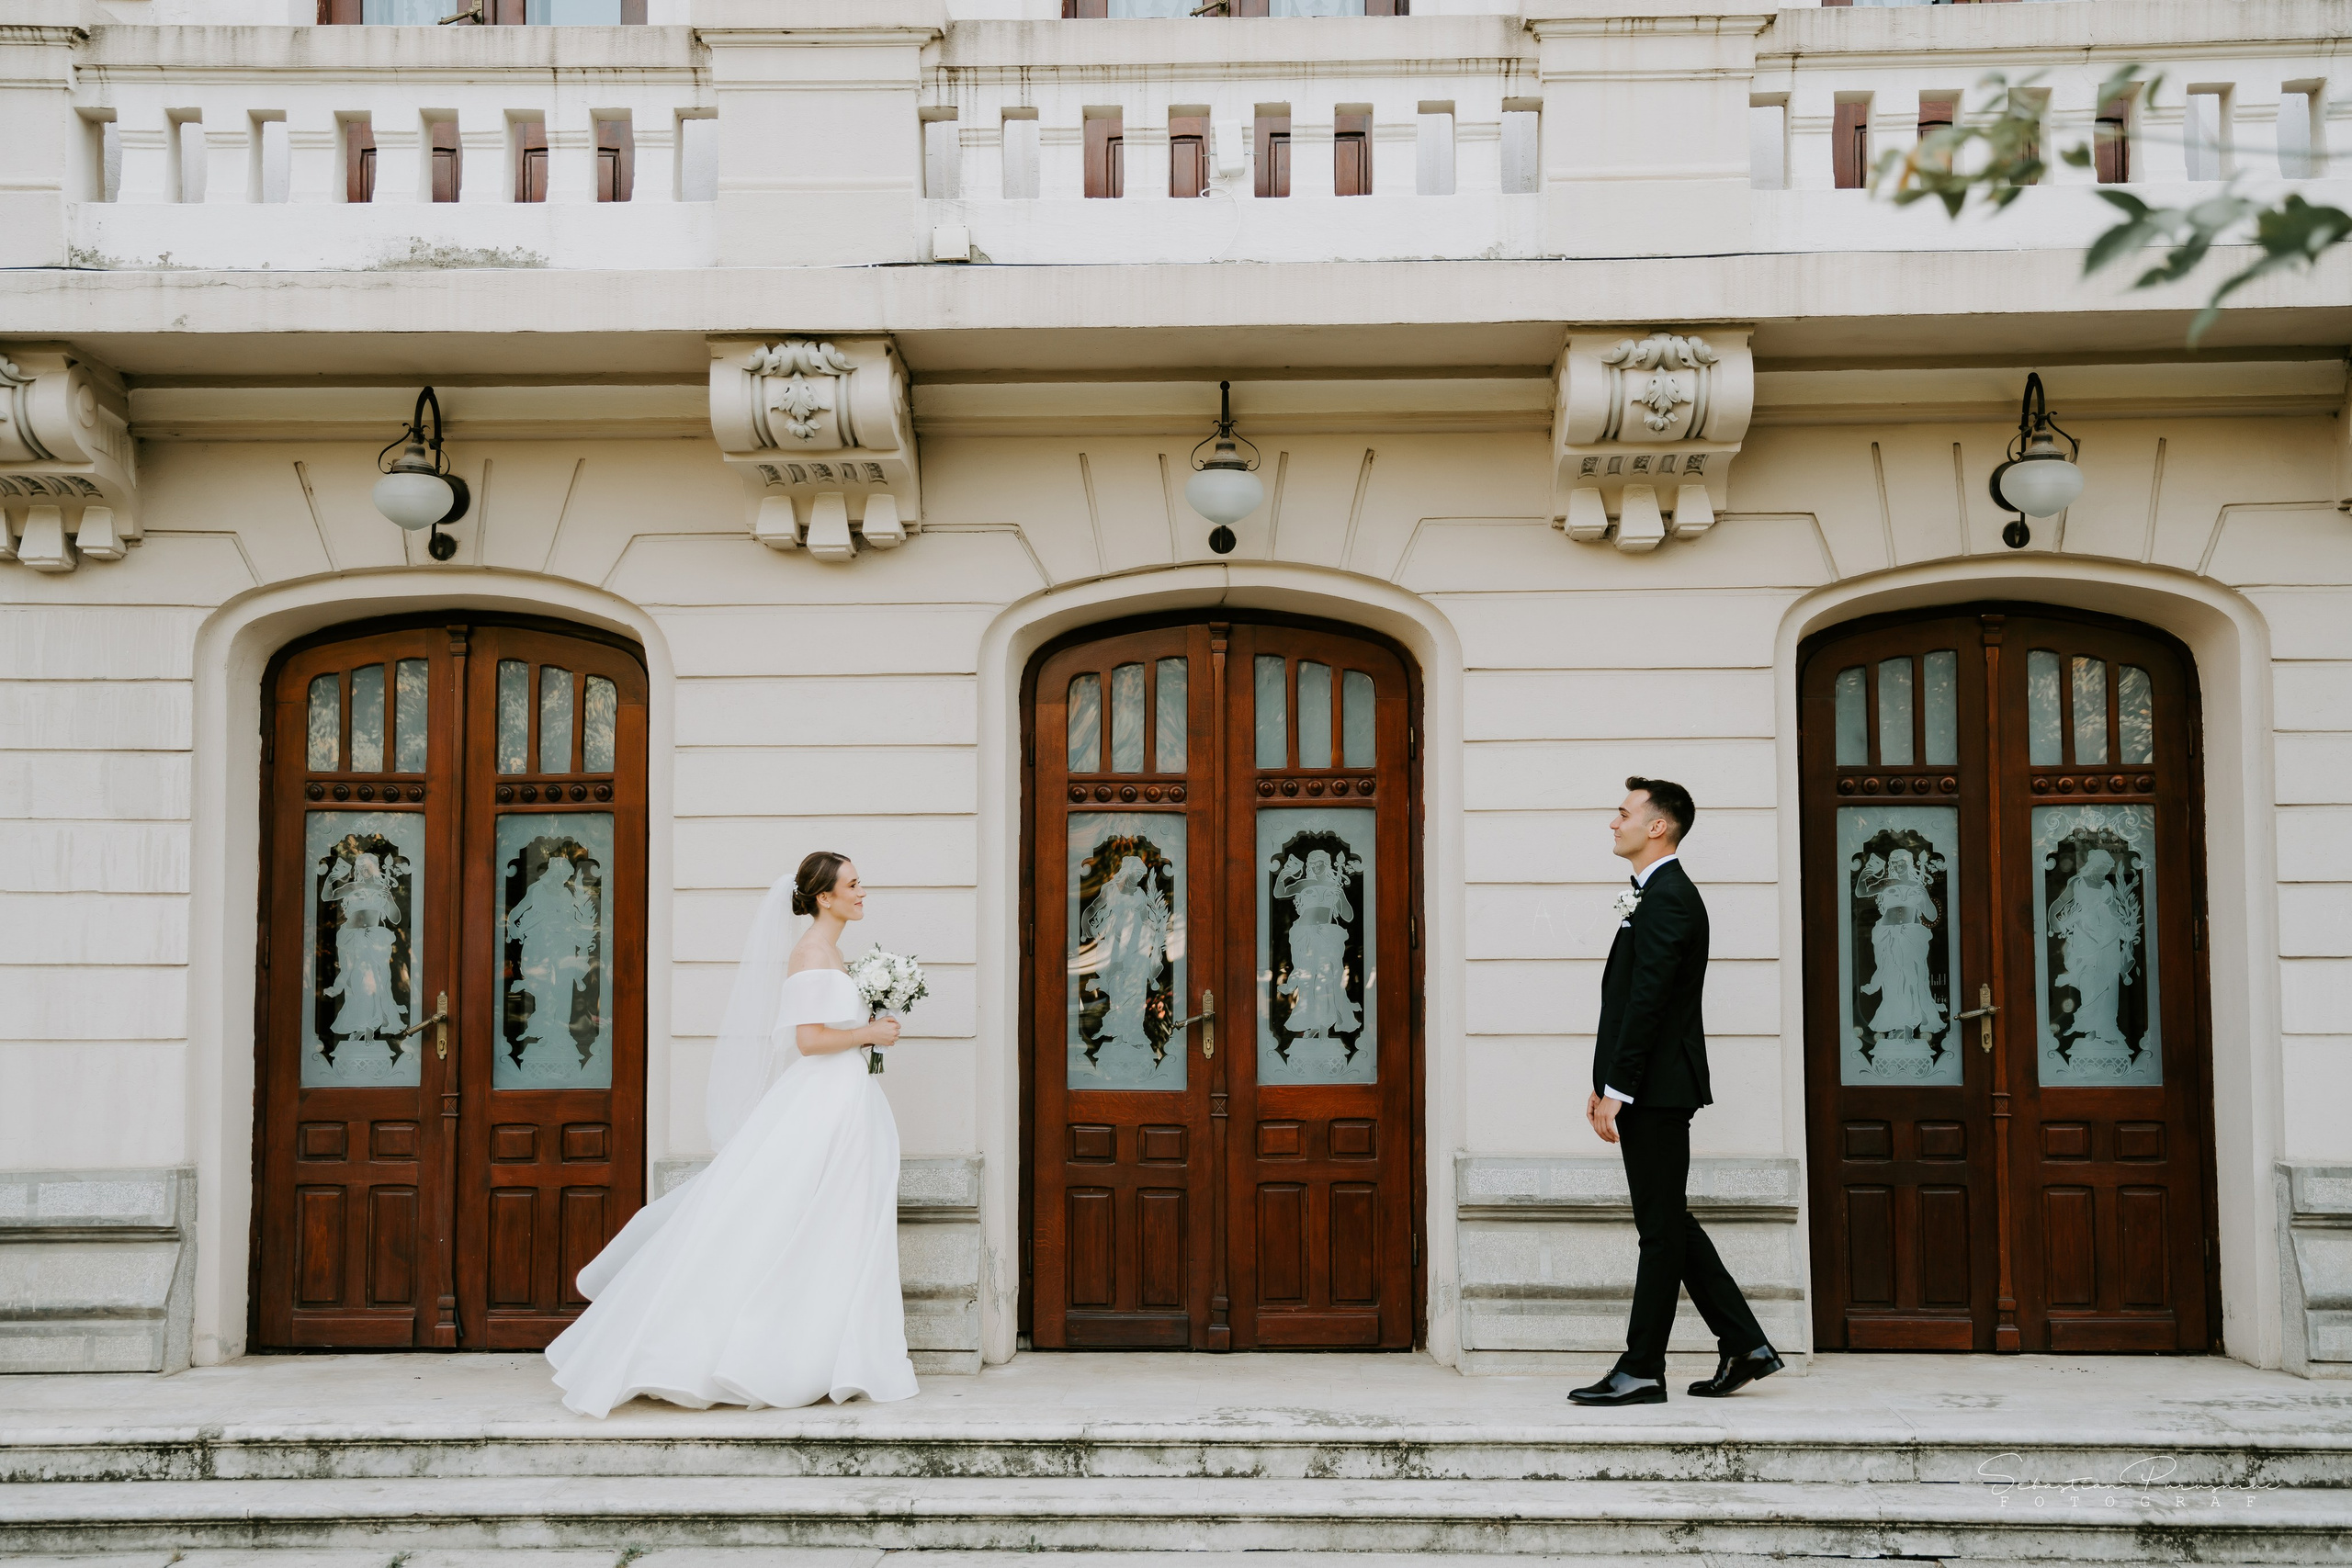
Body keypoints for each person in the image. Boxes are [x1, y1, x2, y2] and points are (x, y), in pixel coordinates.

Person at [545, 851, 916, 1416]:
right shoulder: (811, 954)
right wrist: (871, 1031)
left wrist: (868, 1028)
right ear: (825, 896)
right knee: (786, 1216)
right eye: (854, 884)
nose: (863, 892)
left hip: (843, 1097)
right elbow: (809, 1040)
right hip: (823, 1097)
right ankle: (738, 1351)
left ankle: (828, 1351)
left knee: (834, 1222)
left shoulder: (834, 952)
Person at [1570, 778, 1782, 1408]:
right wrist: (1602, 1079)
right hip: (1651, 1086)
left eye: (1625, 812)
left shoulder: (1668, 898)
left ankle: (1641, 1368)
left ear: (1657, 826)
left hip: (1657, 1089)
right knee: (1669, 1223)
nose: (1615, 822)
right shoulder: (1656, 893)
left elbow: (1649, 1003)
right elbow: (1631, 1001)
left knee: (1660, 1230)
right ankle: (1745, 1344)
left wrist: (1619, 1086)